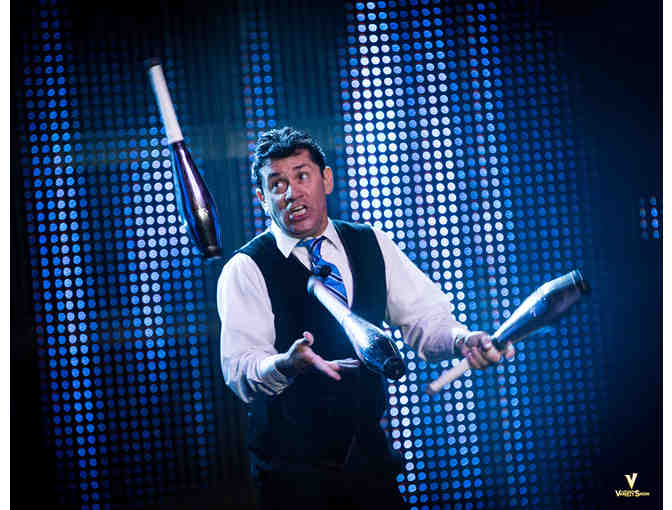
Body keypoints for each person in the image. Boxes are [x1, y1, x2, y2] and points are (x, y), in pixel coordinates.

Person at [217, 127, 513, 510]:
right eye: (277, 184)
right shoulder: (246, 268)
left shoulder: (371, 242)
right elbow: (240, 369)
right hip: (293, 481)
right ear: (262, 198)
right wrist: (286, 364)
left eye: (302, 176)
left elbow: (426, 321)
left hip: (370, 465)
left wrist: (462, 340)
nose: (291, 193)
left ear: (326, 179)